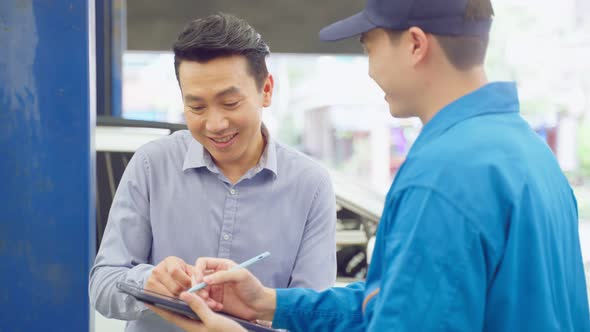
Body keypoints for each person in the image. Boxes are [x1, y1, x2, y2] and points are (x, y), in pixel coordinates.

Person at [150, 0, 590, 331]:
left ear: (415, 44)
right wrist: (269, 302)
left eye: (370, 48)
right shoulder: (528, 154)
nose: (370, 70)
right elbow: (389, 304)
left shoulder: (443, 176)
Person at [89, 13, 337, 332]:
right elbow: (103, 283)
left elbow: (314, 314)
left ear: (266, 90)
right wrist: (148, 282)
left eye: (230, 103)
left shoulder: (310, 185)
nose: (215, 124)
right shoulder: (152, 165)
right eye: (197, 107)